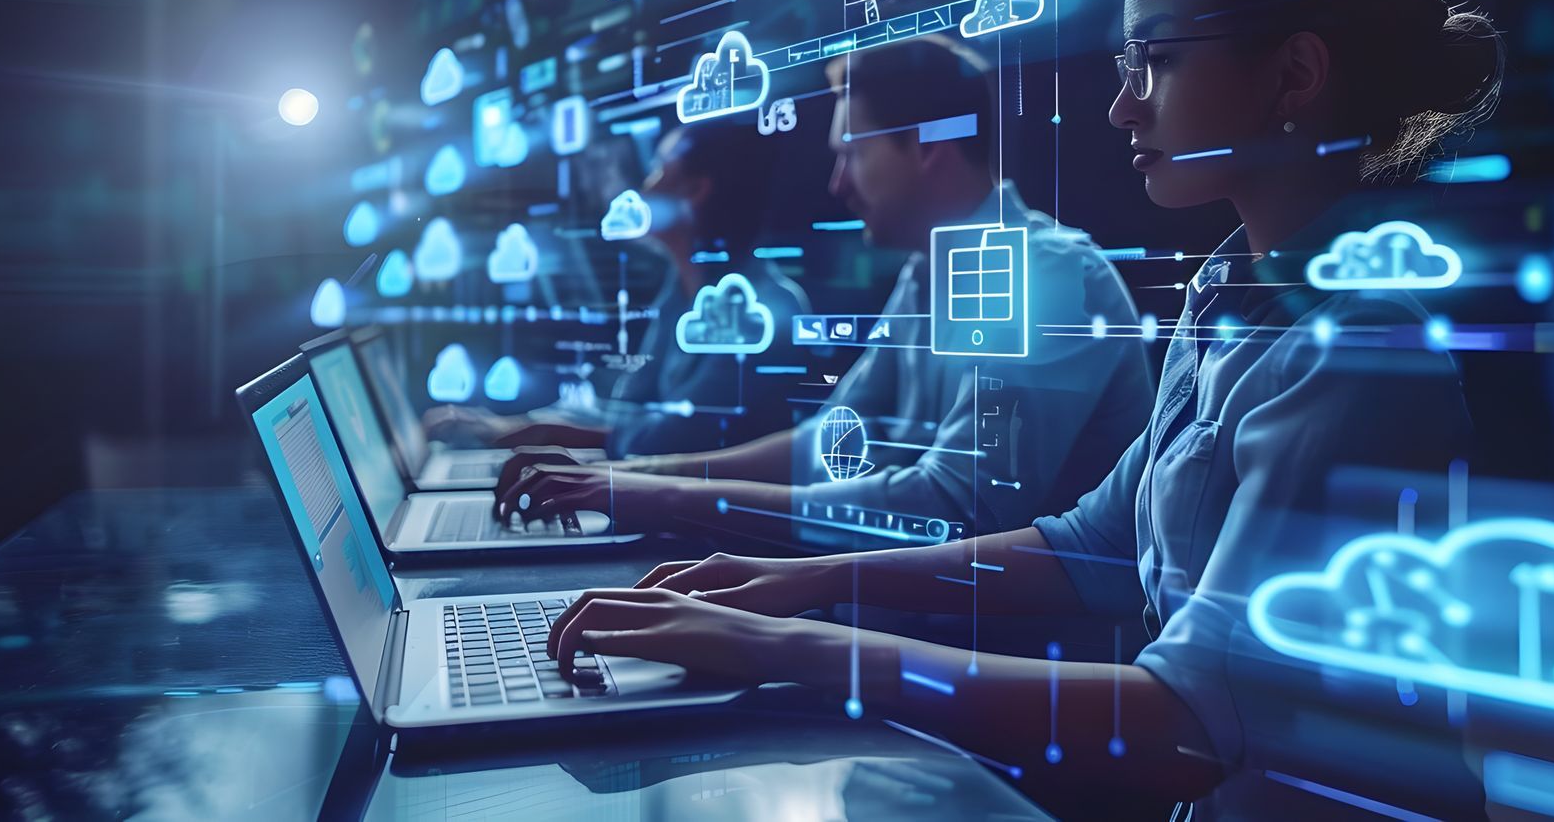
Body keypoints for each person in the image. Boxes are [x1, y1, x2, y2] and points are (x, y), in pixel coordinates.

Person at [519, 0, 1504, 816]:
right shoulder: (1227, 292)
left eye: (1156, 61)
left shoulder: (1357, 352)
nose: (1124, 102)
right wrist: (784, 580)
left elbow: (1190, 720)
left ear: (1292, 75)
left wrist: (784, 638)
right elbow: (1093, 539)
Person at [492, 36, 1154, 547]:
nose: (838, 184)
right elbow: (832, 443)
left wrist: (647, 494)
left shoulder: (1041, 276)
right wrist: (627, 480)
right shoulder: (934, 270)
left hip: (1007, 693)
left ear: (928, 148)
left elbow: (958, 508)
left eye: (853, 154)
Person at [425, 118, 809, 458]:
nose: (646, 184)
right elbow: (631, 406)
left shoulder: (765, 313)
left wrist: (541, 433)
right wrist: (514, 424)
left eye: (659, 168)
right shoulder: (680, 295)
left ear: (694, 190)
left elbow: (678, 437)